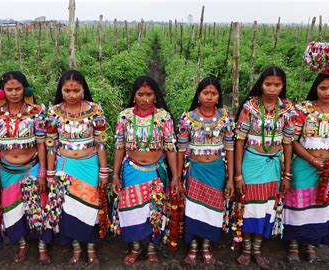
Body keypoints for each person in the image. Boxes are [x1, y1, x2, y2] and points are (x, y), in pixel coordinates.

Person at [283, 74, 329, 263]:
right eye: (323, 88)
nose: (328, 92)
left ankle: (312, 242)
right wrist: (312, 160)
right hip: (304, 165)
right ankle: (294, 243)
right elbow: (292, 141)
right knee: (299, 202)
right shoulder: (303, 110)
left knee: (321, 202)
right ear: (316, 88)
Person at [112, 76, 179, 265]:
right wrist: (115, 175)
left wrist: (175, 177)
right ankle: (135, 247)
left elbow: (170, 148)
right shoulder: (124, 117)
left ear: (155, 97)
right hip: (131, 170)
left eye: (149, 94)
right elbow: (119, 146)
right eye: (140, 94)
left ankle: (151, 247)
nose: (145, 99)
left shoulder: (163, 118)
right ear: (134, 97)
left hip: (155, 171)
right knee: (132, 210)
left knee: (154, 210)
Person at [0, 71, 52, 263]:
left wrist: (42, 172)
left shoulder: (36, 112)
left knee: (37, 207)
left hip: (31, 166)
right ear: (2, 92)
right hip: (7, 170)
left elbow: (42, 143)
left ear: (26, 89)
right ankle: (22, 244)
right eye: (9, 89)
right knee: (12, 209)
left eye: (18, 89)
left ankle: (42, 246)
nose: (14, 93)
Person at [234, 66, 296, 268]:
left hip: (274, 165)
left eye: (277, 84)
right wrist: (238, 175)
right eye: (268, 84)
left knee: (268, 205)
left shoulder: (287, 109)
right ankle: (246, 249)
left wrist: (287, 174)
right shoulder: (249, 107)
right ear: (261, 84)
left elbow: (288, 142)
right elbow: (239, 142)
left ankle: (258, 249)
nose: (272, 88)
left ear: (282, 86)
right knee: (250, 205)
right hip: (251, 162)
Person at [45, 70, 109, 264]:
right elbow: (50, 143)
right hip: (65, 166)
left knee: (90, 206)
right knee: (69, 208)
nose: (71, 95)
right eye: (66, 90)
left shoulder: (95, 110)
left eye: (75, 90)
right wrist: (49, 174)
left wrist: (104, 171)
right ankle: (75, 248)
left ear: (83, 90)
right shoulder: (54, 112)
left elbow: (101, 142)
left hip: (89, 164)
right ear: (61, 90)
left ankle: (90, 247)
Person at [177, 76, 235, 265]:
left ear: (218, 96)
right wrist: (177, 177)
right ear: (199, 95)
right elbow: (181, 149)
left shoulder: (225, 118)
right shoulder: (188, 118)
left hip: (217, 169)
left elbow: (230, 149)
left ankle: (207, 245)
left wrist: (231, 179)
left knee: (213, 209)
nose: (209, 97)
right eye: (205, 93)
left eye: (213, 93)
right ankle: (193, 246)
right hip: (195, 168)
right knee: (194, 208)